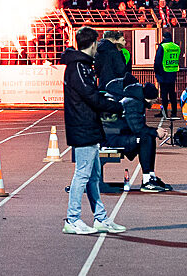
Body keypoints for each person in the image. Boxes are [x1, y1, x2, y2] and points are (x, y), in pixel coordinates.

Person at [61, 26, 127, 235]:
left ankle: (100, 218)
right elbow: (90, 96)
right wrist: (116, 106)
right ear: (94, 44)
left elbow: (91, 94)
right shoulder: (78, 67)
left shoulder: (82, 66)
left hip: (87, 124)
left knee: (93, 175)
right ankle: (72, 219)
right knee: (82, 174)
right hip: (82, 126)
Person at [102, 77, 171, 193]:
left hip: (117, 135)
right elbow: (137, 128)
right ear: (148, 98)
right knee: (145, 138)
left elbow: (137, 126)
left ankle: (150, 176)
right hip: (113, 138)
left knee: (148, 137)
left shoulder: (135, 99)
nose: (155, 102)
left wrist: (154, 132)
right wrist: (155, 132)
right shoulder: (133, 102)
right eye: (154, 100)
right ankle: (147, 180)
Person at [152, 31, 182, 118]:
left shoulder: (162, 47)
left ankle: (164, 112)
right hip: (173, 72)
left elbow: (157, 60)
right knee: (172, 93)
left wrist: (156, 71)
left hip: (163, 72)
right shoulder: (176, 47)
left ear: (163, 37)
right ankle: (174, 112)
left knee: (164, 94)